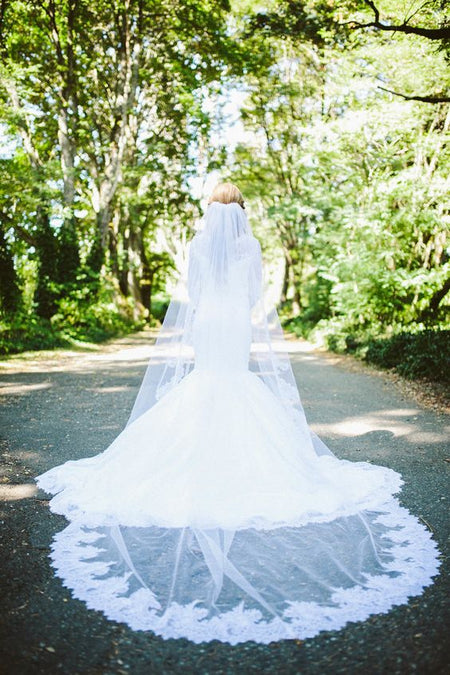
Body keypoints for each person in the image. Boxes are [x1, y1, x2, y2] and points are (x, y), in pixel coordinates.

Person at [36, 183, 440, 644]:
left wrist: (212, 305)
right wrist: (235, 307)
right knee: (236, 384)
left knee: (205, 382)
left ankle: (198, 459)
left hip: (208, 320)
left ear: (210, 211)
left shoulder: (197, 244)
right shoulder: (250, 245)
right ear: (242, 211)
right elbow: (252, 294)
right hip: (233, 323)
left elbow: (192, 291)